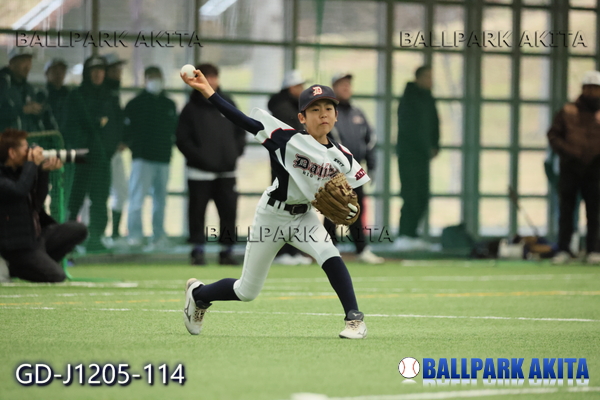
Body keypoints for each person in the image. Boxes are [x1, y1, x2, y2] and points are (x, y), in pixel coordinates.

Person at [180, 68, 369, 339]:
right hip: (271, 216)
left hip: (304, 218)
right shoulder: (287, 139)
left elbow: (353, 194)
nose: (323, 114)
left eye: (328, 108)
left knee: (330, 255)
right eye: (315, 110)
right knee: (246, 291)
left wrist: (349, 211)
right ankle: (199, 294)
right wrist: (209, 92)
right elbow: (242, 120)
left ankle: (354, 319)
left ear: (336, 115)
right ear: (302, 117)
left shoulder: (343, 157)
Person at [176, 64, 246, 266]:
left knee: (229, 213)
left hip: (227, 172)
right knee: (197, 214)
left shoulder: (228, 103)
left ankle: (227, 252)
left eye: (214, 76)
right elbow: (182, 140)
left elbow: (241, 130)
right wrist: (201, 159)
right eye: (208, 77)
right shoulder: (190, 109)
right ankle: (197, 251)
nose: (212, 81)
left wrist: (234, 154)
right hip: (199, 173)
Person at [0, 128, 87, 282]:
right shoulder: (4, 177)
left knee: (78, 230)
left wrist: (43, 170)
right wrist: (32, 164)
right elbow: (19, 190)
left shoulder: (20, 172)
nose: (29, 152)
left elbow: (37, 202)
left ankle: (38, 262)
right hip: (17, 247)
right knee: (57, 276)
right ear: (12, 153)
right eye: (25, 149)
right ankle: (14, 267)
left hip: (35, 238)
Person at [63, 56, 122, 252]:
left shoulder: (109, 96)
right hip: (81, 157)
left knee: (100, 198)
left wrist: (108, 149)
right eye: (94, 71)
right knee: (75, 199)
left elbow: (116, 125)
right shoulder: (76, 96)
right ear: (87, 73)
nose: (98, 74)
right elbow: (69, 126)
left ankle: (96, 238)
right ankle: (67, 239)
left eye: (101, 70)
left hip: (102, 158)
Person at [325, 72, 383, 264]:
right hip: (333, 172)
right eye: (342, 84)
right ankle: (329, 250)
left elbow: (370, 140)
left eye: (348, 84)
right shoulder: (328, 112)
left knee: (356, 210)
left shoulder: (358, 113)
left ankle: (362, 249)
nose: (346, 88)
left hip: (355, 171)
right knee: (332, 211)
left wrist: (371, 165)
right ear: (334, 87)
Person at [548, 70, 600, 264]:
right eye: (589, 88)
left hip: (595, 169)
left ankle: (594, 250)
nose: (592, 92)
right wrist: (568, 153)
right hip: (570, 167)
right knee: (567, 210)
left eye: (595, 88)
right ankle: (564, 249)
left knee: (595, 211)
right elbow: (554, 135)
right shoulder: (568, 111)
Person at [124, 66, 177, 251]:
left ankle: (158, 236)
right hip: (142, 158)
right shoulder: (135, 103)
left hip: (163, 159)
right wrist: (135, 147)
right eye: (152, 77)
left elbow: (174, 129)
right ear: (145, 80)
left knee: (160, 200)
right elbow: (127, 131)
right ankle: (135, 236)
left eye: (158, 77)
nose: (155, 81)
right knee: (137, 198)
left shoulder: (169, 104)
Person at [267, 70, 313, 265]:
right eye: (298, 86)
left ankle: (293, 251)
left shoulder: (295, 107)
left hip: (295, 166)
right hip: (284, 167)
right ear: (290, 87)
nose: (302, 89)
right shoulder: (282, 109)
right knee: (283, 209)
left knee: (296, 209)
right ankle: (281, 252)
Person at [394, 65, 439, 251]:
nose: (430, 81)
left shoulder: (429, 99)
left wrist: (434, 145)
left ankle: (412, 234)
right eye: (427, 76)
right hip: (409, 155)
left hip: (422, 156)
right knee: (411, 194)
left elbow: (434, 124)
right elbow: (410, 129)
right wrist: (424, 146)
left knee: (422, 195)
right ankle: (404, 235)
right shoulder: (409, 99)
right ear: (418, 78)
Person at [103, 53, 128, 245]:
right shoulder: (101, 93)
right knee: (98, 194)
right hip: (102, 153)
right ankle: (96, 233)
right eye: (114, 69)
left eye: (119, 69)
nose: (118, 72)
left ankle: (115, 233)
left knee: (121, 191)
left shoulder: (114, 92)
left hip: (115, 152)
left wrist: (122, 140)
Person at [0, 48, 54, 132]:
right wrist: (23, 109)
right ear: (12, 62)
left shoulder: (29, 89)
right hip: (5, 139)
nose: (27, 66)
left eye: (29, 61)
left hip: (26, 139)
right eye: (23, 61)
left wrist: (38, 111)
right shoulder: (3, 84)